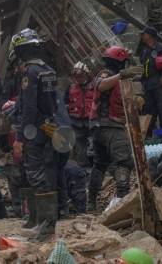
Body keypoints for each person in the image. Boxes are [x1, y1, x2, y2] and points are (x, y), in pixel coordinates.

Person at [9, 28, 60, 242]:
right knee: (40, 173)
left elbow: (29, 108)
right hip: (48, 126)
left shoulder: (29, 72)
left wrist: (20, 137)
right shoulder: (47, 69)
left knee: (36, 174)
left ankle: (46, 226)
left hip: (34, 130)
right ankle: (37, 221)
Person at [89, 46, 134, 209]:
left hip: (99, 127)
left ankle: (91, 203)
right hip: (110, 126)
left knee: (100, 164)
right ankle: (122, 198)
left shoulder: (117, 79)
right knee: (124, 161)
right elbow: (100, 85)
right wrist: (120, 75)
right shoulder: (106, 74)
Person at [64, 60, 97, 211]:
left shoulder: (95, 87)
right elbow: (64, 106)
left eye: (81, 75)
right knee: (81, 155)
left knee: (93, 153)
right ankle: (84, 182)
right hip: (76, 124)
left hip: (91, 124)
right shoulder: (70, 89)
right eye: (76, 76)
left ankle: (93, 179)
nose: (78, 78)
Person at [139, 27, 162, 131]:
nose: (142, 37)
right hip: (148, 84)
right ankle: (149, 133)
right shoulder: (145, 50)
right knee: (149, 109)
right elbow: (143, 65)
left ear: (150, 36)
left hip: (159, 83)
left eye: (144, 34)